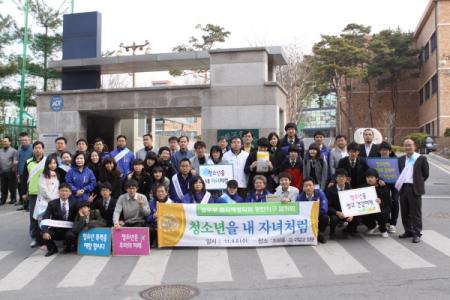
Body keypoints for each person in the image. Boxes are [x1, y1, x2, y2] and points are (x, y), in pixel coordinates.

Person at [396, 138, 429, 243]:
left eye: (410, 145)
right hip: (403, 188)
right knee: (405, 212)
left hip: (415, 188)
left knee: (415, 213)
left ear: (414, 146)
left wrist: (418, 182)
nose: (408, 147)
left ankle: (417, 233)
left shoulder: (421, 158)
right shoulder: (400, 159)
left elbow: (425, 174)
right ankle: (408, 231)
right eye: (406, 145)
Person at [41, 183, 77, 256]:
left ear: (70, 193)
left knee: (70, 235)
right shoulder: (52, 203)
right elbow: (45, 218)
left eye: (66, 191)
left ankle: (68, 248)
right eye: (62, 191)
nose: (64, 193)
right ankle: (52, 249)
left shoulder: (74, 203)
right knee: (43, 233)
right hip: (56, 229)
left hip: (69, 229)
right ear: (58, 192)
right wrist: (45, 231)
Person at [22, 141, 46, 248]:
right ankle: (34, 238)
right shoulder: (28, 162)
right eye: (36, 148)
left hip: (45, 193)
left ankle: (44, 237)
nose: (38, 150)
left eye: (40, 148)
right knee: (33, 217)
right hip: (32, 193)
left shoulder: (47, 161)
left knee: (44, 216)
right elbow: (23, 179)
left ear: (43, 149)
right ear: (33, 149)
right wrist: (23, 192)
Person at [297, 177, 329, 244]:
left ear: (314, 186)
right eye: (306, 186)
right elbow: (298, 210)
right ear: (303, 187)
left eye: (310, 185)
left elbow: (324, 208)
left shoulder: (320, 193)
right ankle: (315, 235)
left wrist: (314, 215)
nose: (308, 188)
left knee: (325, 217)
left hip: (317, 215)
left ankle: (320, 232)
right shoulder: (300, 197)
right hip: (306, 217)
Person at [325, 168, 354, 240]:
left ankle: (348, 231)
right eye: (339, 177)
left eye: (343, 177)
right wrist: (337, 212)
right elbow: (328, 206)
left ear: (346, 179)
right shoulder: (330, 190)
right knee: (334, 218)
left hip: (347, 212)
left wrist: (352, 214)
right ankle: (332, 232)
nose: (341, 179)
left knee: (355, 217)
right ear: (335, 178)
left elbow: (354, 204)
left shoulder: (350, 189)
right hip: (335, 212)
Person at [363, 168, 391, 238]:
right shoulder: (364, 187)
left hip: (382, 208)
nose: (369, 179)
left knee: (382, 213)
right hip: (369, 208)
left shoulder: (383, 187)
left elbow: (388, 202)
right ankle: (372, 226)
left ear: (377, 178)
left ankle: (383, 230)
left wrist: (380, 202)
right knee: (360, 213)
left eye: (372, 177)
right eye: (367, 177)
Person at [34, 155, 61, 223]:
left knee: (54, 221)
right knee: (44, 221)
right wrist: (52, 200)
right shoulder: (44, 175)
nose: (53, 165)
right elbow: (43, 189)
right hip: (45, 202)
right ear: (47, 164)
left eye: (54, 163)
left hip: (55, 201)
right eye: (50, 163)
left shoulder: (57, 175)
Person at [17, 132, 33, 210]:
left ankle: (30, 205)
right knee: (23, 188)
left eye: (26, 140)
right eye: (22, 140)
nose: (24, 142)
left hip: (30, 172)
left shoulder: (33, 148)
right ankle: (24, 205)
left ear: (29, 141)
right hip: (21, 172)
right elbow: (18, 160)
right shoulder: (20, 148)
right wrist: (18, 172)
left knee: (29, 188)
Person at [0, 136, 18, 205]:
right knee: (3, 187)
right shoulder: (0, 151)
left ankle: (13, 199)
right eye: (3, 141)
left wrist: (13, 170)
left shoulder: (13, 151)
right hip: (2, 172)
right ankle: (3, 200)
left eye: (6, 141)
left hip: (11, 172)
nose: (4, 143)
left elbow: (15, 161)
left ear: (9, 142)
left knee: (12, 187)